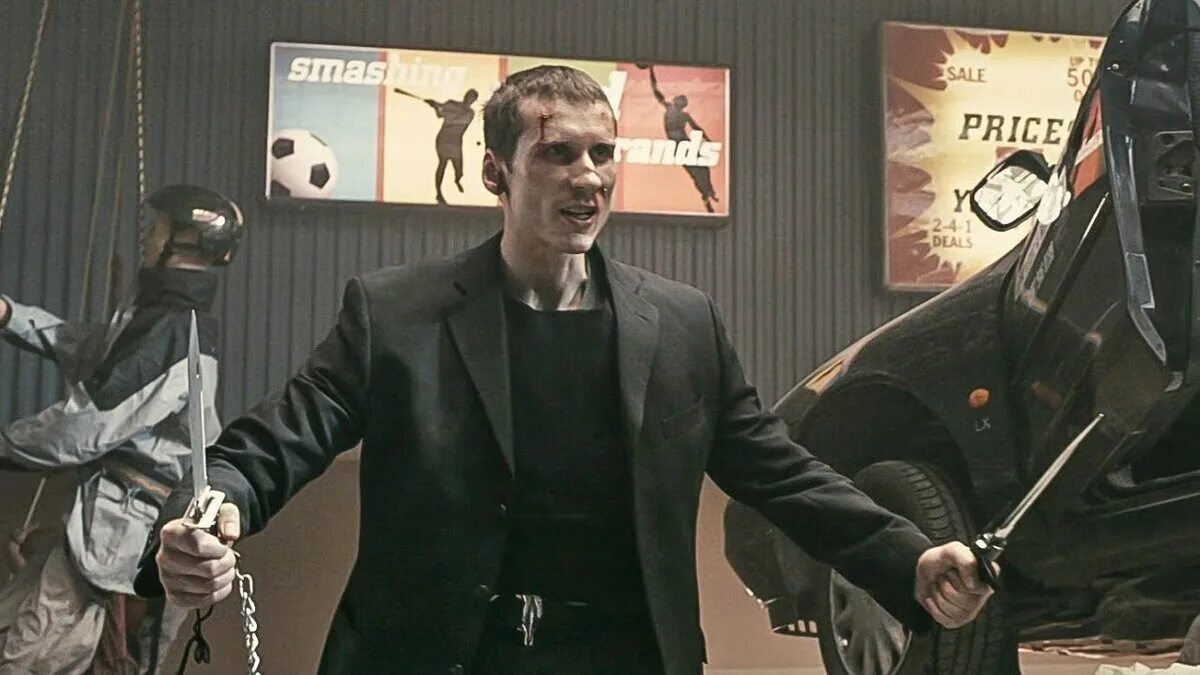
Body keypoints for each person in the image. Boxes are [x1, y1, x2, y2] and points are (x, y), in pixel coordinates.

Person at [135, 66, 993, 675]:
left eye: (602, 154)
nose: (588, 178)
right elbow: (274, 441)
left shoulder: (683, 325)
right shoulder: (394, 314)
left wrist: (910, 558)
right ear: (495, 172)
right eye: (558, 154)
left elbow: (782, 471)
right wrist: (209, 512)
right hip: (432, 657)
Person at [0, 184, 245, 674]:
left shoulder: (175, 333)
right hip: (112, 519)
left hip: (125, 528)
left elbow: (86, 426)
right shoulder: (159, 321)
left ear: (185, 240)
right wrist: (10, 316)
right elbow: (89, 346)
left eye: (158, 227)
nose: (147, 237)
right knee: (14, 626)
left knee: (30, 657)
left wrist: (6, 446)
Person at [647, 65, 720, 213]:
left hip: (685, 144)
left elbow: (697, 128)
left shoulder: (682, 114)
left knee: (703, 168)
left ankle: (708, 192)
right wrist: (651, 70)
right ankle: (706, 196)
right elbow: (655, 89)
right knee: (696, 173)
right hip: (678, 146)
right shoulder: (669, 108)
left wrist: (708, 141)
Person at [398, 87, 480, 205]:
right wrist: (435, 107)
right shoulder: (451, 103)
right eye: (469, 96)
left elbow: (455, 119)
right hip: (444, 139)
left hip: (456, 143)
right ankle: (438, 193)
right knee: (442, 164)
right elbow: (440, 115)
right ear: (465, 96)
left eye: (472, 98)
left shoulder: (470, 113)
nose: (469, 100)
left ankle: (457, 180)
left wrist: (439, 107)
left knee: (459, 170)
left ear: (474, 101)